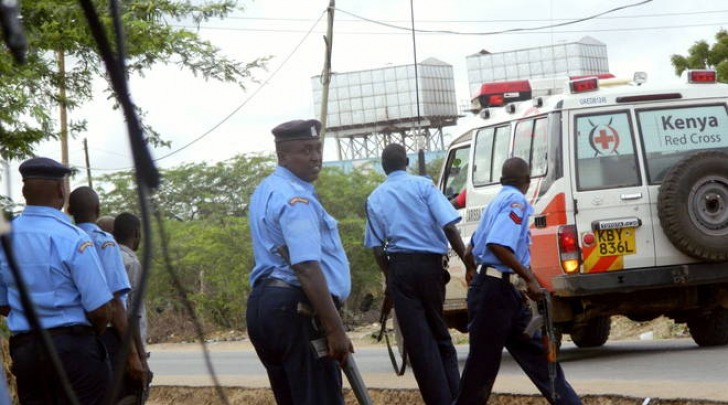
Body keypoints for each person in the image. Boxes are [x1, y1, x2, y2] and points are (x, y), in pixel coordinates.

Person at [453, 157, 582, 405]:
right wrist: (530, 278)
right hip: (495, 295)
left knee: (540, 358)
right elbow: (498, 244)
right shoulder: (516, 202)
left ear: (503, 180)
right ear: (527, 181)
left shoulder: (495, 203)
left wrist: (473, 271)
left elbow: (471, 249)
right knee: (481, 368)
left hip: (500, 291)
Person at [246, 118, 353, 405]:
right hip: (296, 309)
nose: (315, 157)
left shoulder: (266, 189)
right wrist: (335, 328)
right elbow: (306, 266)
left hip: (267, 305)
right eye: (305, 150)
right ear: (283, 156)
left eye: (317, 149)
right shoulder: (296, 200)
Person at [364, 143, 471, 405]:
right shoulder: (424, 186)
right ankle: (456, 397)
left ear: (383, 167)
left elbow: (377, 249)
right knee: (440, 333)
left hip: (400, 268)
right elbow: (450, 227)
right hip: (431, 267)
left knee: (419, 343)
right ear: (407, 161)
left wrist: (391, 278)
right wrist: (469, 263)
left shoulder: (375, 197)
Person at [0, 157, 113, 404]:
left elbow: (2, 303)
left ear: (23, 190)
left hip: (26, 352)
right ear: (62, 191)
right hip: (73, 351)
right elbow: (100, 310)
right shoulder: (73, 238)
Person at [67, 186, 147, 401]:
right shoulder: (104, 242)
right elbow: (118, 305)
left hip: (69, 339)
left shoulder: (63, 237)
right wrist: (135, 356)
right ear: (97, 208)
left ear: (69, 210)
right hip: (108, 335)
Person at [114, 212, 153, 402]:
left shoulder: (108, 256)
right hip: (129, 348)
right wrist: (140, 358)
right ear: (137, 233)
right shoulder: (132, 263)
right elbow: (133, 315)